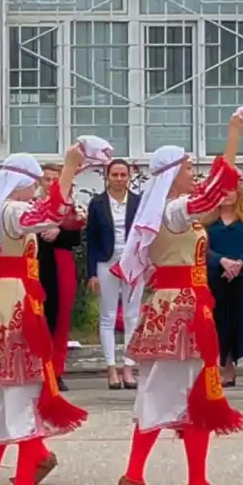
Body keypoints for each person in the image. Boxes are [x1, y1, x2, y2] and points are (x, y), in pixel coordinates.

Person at [114, 114, 243, 485]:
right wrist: (234, 136)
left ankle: (195, 481)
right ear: (171, 173)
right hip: (181, 311)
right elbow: (209, 197)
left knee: (194, 394)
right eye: (188, 167)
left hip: (179, 307)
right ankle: (136, 473)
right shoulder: (172, 210)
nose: (194, 173)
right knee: (167, 392)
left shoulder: (163, 211)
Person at [0, 148, 89, 485]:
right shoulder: (14, 210)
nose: (34, 190)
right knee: (23, 391)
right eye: (32, 184)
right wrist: (68, 170)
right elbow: (47, 214)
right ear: (20, 183)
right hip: (16, 303)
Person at [86, 159, 142, 390]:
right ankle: (111, 368)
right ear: (107, 177)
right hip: (106, 263)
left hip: (133, 263)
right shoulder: (97, 203)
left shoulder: (138, 202)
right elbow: (90, 239)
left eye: (123, 175)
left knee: (132, 315)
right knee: (108, 316)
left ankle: (129, 366)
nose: (119, 179)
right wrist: (92, 273)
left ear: (129, 177)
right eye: (115, 175)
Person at [205, 187, 243, 387]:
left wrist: (239, 263)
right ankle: (227, 366)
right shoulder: (207, 222)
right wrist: (222, 261)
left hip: (242, 276)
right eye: (222, 191)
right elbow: (203, 248)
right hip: (218, 277)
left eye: (231, 190)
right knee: (222, 321)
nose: (227, 195)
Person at [38, 163, 84, 393]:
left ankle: (56, 370)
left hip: (61, 263)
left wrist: (59, 232)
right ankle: (38, 368)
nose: (50, 184)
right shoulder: (31, 206)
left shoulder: (70, 208)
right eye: (46, 179)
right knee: (38, 318)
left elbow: (75, 238)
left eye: (54, 179)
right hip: (36, 264)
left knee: (61, 318)